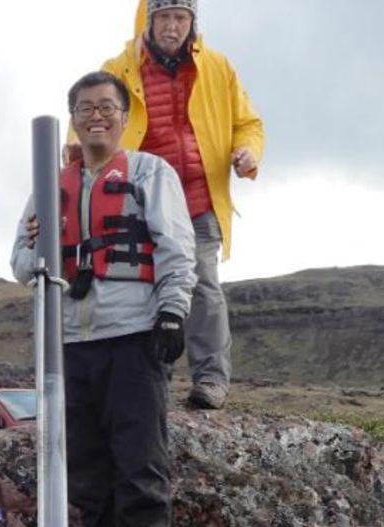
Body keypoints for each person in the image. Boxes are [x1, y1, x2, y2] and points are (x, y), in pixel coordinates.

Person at [11, 71, 196, 527]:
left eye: (107, 107)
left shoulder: (149, 172)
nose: (97, 115)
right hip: (70, 349)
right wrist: (39, 241)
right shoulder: (50, 182)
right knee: (87, 484)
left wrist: (172, 312)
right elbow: (21, 264)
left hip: (134, 341)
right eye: (86, 107)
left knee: (140, 477)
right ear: (73, 117)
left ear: (123, 115)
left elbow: (175, 246)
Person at [71, 0, 265, 410]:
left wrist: (247, 153)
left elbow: (247, 123)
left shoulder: (217, 66)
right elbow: (90, 116)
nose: (172, 27)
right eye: (164, 18)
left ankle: (211, 380)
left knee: (203, 287)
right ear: (149, 20)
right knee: (141, 286)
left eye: (181, 18)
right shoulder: (118, 68)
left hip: (198, 197)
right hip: (135, 200)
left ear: (192, 22)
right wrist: (76, 161)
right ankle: (152, 377)